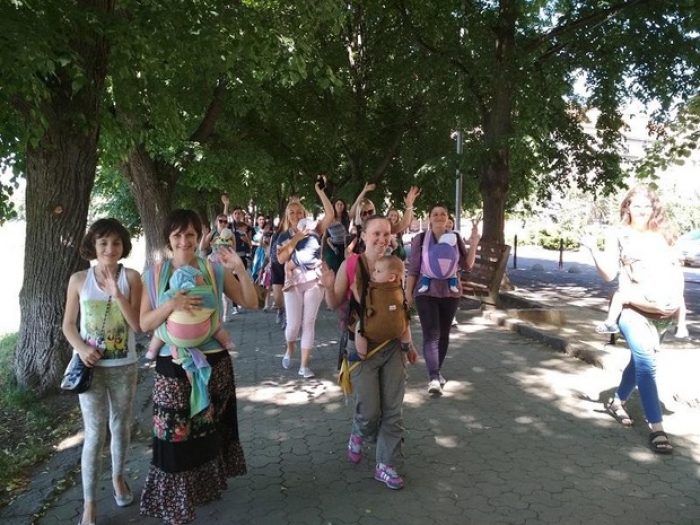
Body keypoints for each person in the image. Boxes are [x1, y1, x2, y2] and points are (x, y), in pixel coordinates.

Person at [139, 209, 258, 524]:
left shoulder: (214, 270)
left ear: (198, 236)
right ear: (168, 239)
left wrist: (240, 270)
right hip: (172, 365)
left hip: (214, 363)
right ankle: (175, 500)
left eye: (190, 234)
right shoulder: (153, 275)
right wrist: (171, 304)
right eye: (177, 235)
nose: (184, 241)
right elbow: (144, 323)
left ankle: (204, 487)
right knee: (173, 435)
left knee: (209, 430)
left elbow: (251, 302)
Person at [320, 215, 419, 490]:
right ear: (363, 236)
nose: (382, 239)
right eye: (376, 233)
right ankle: (358, 429)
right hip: (362, 347)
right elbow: (333, 304)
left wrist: (408, 344)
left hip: (392, 347)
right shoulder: (351, 264)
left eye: (386, 234)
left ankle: (386, 465)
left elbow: (400, 308)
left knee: (393, 410)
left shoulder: (395, 264)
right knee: (369, 413)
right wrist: (328, 286)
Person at [582, 186, 682, 454]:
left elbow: (676, 271)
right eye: (636, 205)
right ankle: (657, 429)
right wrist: (593, 249)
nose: (642, 210)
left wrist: (677, 305)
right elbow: (608, 274)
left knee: (637, 362)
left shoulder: (663, 234)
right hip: (631, 308)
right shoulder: (618, 234)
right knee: (647, 365)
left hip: (661, 311)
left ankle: (616, 402)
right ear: (627, 206)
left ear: (654, 208)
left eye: (647, 206)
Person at [61, 218, 142, 525]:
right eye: (103, 242)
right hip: (90, 369)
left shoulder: (131, 277)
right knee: (95, 433)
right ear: (93, 246)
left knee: (120, 425)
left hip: (124, 366)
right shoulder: (79, 280)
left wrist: (117, 293)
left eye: (116, 242)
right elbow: (69, 325)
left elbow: (137, 325)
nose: (110, 248)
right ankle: (89, 503)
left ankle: (118, 477)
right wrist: (82, 349)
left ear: (124, 246)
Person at [406, 204, 480, 395]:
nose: (439, 217)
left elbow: (467, 265)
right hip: (425, 292)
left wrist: (474, 243)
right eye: (435, 214)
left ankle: (436, 371)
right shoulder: (420, 239)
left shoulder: (454, 238)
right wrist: (407, 293)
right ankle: (433, 377)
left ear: (448, 218)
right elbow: (413, 268)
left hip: (450, 292)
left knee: (444, 334)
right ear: (429, 218)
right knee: (432, 333)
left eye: (443, 214)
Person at [276, 177, 335, 378]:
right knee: (293, 325)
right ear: (287, 216)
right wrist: (297, 237)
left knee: (309, 322)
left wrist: (320, 192)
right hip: (293, 282)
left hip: (314, 280)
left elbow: (330, 214)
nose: (295, 215)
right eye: (291, 212)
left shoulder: (316, 229)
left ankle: (304, 365)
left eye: (299, 212)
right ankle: (290, 348)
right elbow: (282, 259)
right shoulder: (283, 236)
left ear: (304, 214)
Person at [144, 265, 235, 360]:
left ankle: (152, 350)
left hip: (173, 338)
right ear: (194, 280)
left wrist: (170, 304)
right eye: (202, 279)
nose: (204, 282)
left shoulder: (170, 293)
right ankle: (227, 342)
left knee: (159, 334)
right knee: (217, 328)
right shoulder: (207, 293)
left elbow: (160, 305)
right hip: (205, 335)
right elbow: (213, 306)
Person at [351, 254, 413, 357]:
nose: (374, 273)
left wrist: (354, 290)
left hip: (374, 329)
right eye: (375, 270)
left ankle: (361, 353)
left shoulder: (374, 290)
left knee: (359, 328)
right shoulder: (399, 289)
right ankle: (406, 344)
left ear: (391, 277)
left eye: (378, 271)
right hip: (398, 328)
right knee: (406, 321)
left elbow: (363, 302)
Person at [323, 198, 351, 273]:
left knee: (343, 269)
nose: (339, 206)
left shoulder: (346, 218)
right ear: (334, 206)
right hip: (332, 247)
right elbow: (325, 237)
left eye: (341, 204)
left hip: (344, 247)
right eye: (337, 204)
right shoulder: (330, 219)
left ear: (344, 206)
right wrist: (322, 254)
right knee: (333, 269)